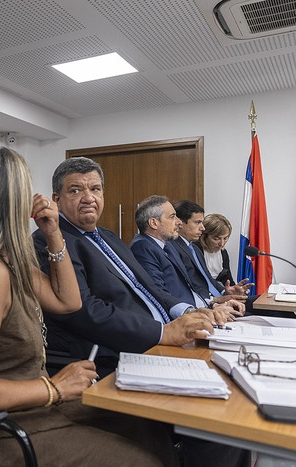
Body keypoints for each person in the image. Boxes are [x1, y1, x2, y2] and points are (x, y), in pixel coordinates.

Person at [0, 147, 178, 466]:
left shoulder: (11, 260)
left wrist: (54, 233)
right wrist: (55, 387)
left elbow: (67, 301)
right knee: (142, 461)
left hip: (27, 407)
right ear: (12, 202)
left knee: (149, 425)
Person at [32, 158, 249, 467]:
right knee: (216, 424)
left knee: (234, 396)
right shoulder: (50, 240)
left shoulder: (107, 237)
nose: (88, 197)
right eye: (76, 190)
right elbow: (84, 311)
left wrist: (191, 312)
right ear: (57, 200)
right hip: (114, 355)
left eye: (95, 188)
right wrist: (164, 332)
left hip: (160, 343)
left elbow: (149, 288)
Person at [130, 195, 244, 315]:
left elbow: (190, 287)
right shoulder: (143, 247)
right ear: (154, 223)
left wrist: (213, 305)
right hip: (183, 318)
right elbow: (157, 292)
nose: (179, 223)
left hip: (200, 309)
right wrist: (201, 312)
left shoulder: (167, 245)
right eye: (172, 217)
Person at [171, 200, 251, 302]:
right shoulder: (182, 248)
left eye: (225, 238)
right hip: (206, 302)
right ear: (180, 223)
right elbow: (191, 285)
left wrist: (227, 291)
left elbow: (210, 279)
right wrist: (215, 301)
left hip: (217, 298)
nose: (202, 228)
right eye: (197, 222)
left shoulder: (194, 249)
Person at [196, 213, 236, 285]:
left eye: (225, 238)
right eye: (216, 239)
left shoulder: (223, 253)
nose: (222, 243)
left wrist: (237, 289)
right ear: (204, 236)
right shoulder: (195, 250)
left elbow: (228, 280)